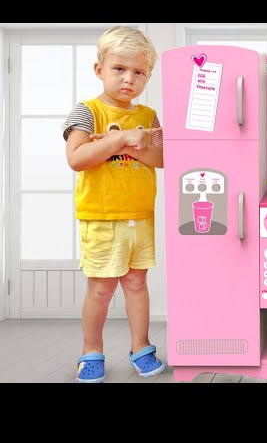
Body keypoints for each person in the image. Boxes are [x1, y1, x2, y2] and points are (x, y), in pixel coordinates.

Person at [62, 26, 166, 383]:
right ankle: (91, 352)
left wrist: (119, 144)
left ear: (148, 76)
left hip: (141, 216)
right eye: (119, 69)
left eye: (139, 72)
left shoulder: (149, 116)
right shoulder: (87, 111)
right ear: (99, 70)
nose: (128, 79)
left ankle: (142, 347)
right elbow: (77, 158)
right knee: (102, 289)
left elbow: (162, 157)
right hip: (102, 217)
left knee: (137, 284)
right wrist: (122, 139)